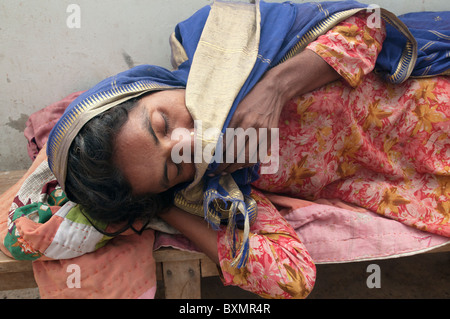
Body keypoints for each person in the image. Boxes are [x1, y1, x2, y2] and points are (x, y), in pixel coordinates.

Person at [40, 0, 449, 298]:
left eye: (162, 124)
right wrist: (162, 207)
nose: (185, 144)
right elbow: (290, 278)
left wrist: (275, 87)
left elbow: (366, 25)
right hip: (428, 179)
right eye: (171, 168)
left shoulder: (216, 45)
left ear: (146, 87)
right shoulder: (222, 180)